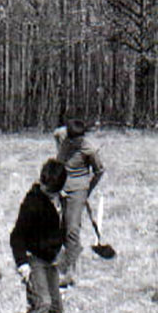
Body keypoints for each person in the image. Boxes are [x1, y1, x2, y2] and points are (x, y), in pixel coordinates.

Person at [9, 158, 67, 313]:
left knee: (55, 307)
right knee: (42, 302)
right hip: (33, 259)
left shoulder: (60, 200)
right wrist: (22, 264)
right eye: (46, 188)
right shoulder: (32, 203)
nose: (48, 191)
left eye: (53, 190)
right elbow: (16, 236)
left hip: (50, 260)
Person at [53, 118, 105, 287]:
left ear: (81, 138)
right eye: (70, 138)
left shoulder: (90, 149)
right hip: (60, 188)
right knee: (59, 227)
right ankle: (62, 257)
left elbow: (99, 171)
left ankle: (70, 272)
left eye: (76, 140)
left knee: (72, 229)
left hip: (78, 190)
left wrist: (86, 190)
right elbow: (57, 133)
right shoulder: (63, 137)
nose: (72, 143)